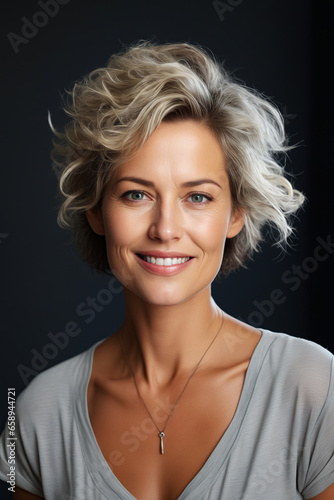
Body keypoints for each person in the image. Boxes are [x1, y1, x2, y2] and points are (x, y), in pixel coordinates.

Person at [0, 42, 333, 500]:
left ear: (235, 214)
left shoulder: (314, 386)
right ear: (96, 210)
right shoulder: (38, 411)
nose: (165, 229)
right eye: (136, 194)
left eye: (198, 197)